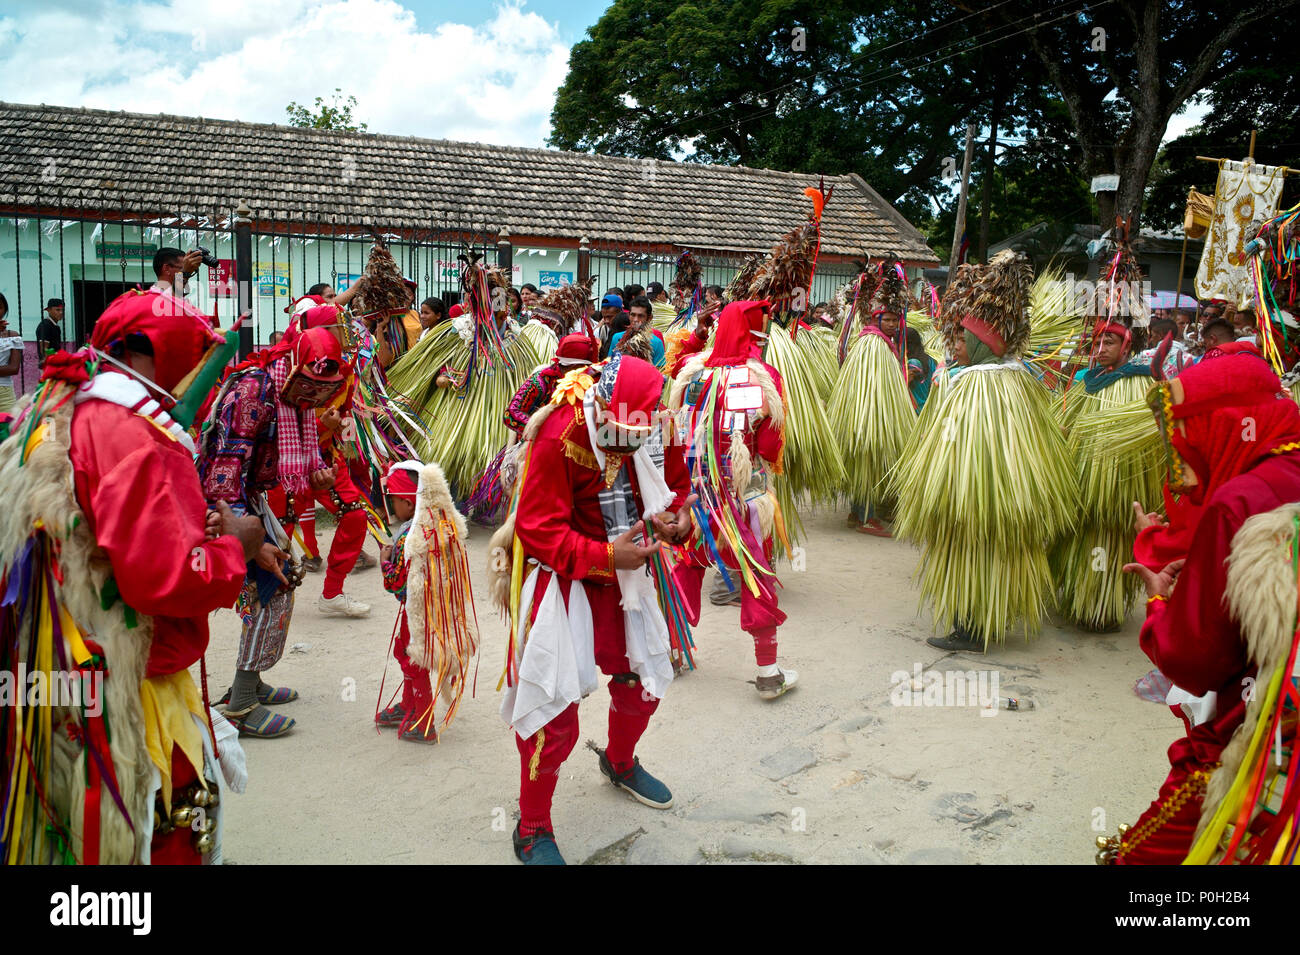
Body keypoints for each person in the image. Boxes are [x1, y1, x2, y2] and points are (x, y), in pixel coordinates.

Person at [0, 287, 260, 863]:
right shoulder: (137, 438)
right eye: (188, 359)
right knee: (163, 832)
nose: (195, 379)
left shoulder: (65, 409)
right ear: (146, 356)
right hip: (128, 684)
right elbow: (164, 577)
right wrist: (234, 549)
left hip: (66, 672)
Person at [1102, 349, 1300, 864]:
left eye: (1186, 445)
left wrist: (1161, 601)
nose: (1184, 473)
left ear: (1223, 427)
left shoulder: (1239, 501)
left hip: (1261, 744)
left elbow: (1194, 659)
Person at [497, 355, 695, 865]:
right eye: (614, 430)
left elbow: (674, 487)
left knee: (641, 683)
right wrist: (607, 555)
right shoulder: (560, 429)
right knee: (554, 711)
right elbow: (536, 530)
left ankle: (621, 762)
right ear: (598, 403)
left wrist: (676, 522)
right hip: (566, 576)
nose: (623, 443)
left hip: (629, 572)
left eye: (637, 434)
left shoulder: (664, 423)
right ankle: (533, 825)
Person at [891, 251, 1075, 651]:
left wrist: (939, 486)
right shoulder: (1011, 378)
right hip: (999, 505)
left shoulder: (980, 385)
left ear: (980, 342)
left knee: (971, 553)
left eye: (964, 338)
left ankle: (972, 631)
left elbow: (955, 444)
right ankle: (982, 624)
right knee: (991, 557)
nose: (957, 345)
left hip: (973, 501)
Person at [200, 326, 348, 738]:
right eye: (310, 387)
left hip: (246, 498)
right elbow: (222, 478)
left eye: (325, 390)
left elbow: (290, 458)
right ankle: (241, 704)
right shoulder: (252, 396)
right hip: (222, 507)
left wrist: (315, 478)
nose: (315, 399)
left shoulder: (289, 395)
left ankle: (251, 683)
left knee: (281, 583)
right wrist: (254, 544)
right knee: (270, 585)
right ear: (293, 365)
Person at [669, 300, 799, 697]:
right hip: (744, 497)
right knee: (755, 575)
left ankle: (671, 653)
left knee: (685, 569)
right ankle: (768, 673)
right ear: (757, 334)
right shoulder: (764, 378)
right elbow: (772, 443)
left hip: (695, 494)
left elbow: (676, 430)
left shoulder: (691, 373)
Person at [1053, 315, 1161, 632]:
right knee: (1085, 536)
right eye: (1097, 342)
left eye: (1109, 342)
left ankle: (1100, 607)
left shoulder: (1140, 382)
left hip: (1120, 483)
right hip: (1084, 477)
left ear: (1127, 346)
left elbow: (1152, 433)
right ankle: (1078, 598)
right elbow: (1069, 423)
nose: (1100, 349)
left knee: (1107, 539)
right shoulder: (1089, 379)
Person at [377, 460, 477, 744]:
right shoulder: (437, 526)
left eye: (394, 500)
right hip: (436, 608)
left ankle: (423, 721)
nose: (391, 506)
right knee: (407, 653)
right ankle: (409, 705)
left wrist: (385, 562)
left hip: (419, 612)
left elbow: (396, 582)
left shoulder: (412, 538)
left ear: (409, 503)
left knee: (414, 659)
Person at [610, 296, 666, 368]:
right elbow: (610, 365)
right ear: (628, 315)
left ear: (649, 318)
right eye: (633, 315)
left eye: (640, 316)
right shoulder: (617, 338)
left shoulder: (656, 343)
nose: (635, 319)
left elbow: (659, 373)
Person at [0, 292, 22, 413]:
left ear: (5, 310)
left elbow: (14, 368)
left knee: (9, 428)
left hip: (5, 395)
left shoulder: (13, 336)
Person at [36, 299, 64, 366]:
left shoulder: (55, 326)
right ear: (49, 310)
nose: (61, 312)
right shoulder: (45, 325)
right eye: (57, 310)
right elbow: (44, 349)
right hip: (49, 365)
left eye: (62, 310)